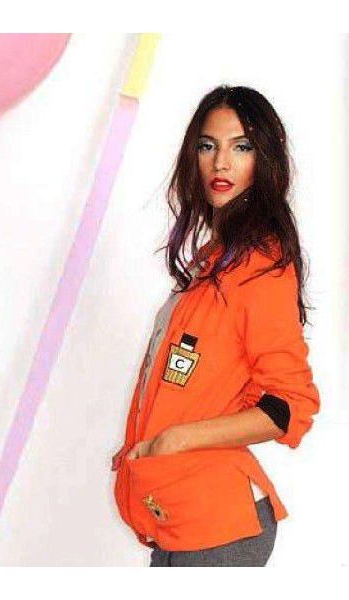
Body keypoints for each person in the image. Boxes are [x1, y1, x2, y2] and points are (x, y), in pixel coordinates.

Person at [111, 85, 320, 567]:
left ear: (264, 160)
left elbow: (289, 406)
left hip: (219, 527)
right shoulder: (215, 258)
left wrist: (175, 440)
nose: (221, 163)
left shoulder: (261, 264)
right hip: (176, 513)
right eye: (209, 146)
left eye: (240, 147)